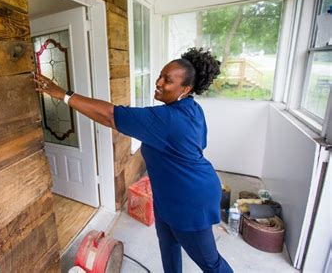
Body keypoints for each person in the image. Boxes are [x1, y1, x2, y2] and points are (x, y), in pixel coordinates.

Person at [33, 47, 233, 273]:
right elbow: (199, 145)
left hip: (190, 201)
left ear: (185, 89)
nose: (158, 82)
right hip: (168, 195)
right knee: (168, 247)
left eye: (167, 80)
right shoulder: (193, 109)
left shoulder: (167, 118)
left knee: (211, 263)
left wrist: (63, 95)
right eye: (160, 75)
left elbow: (110, 115)